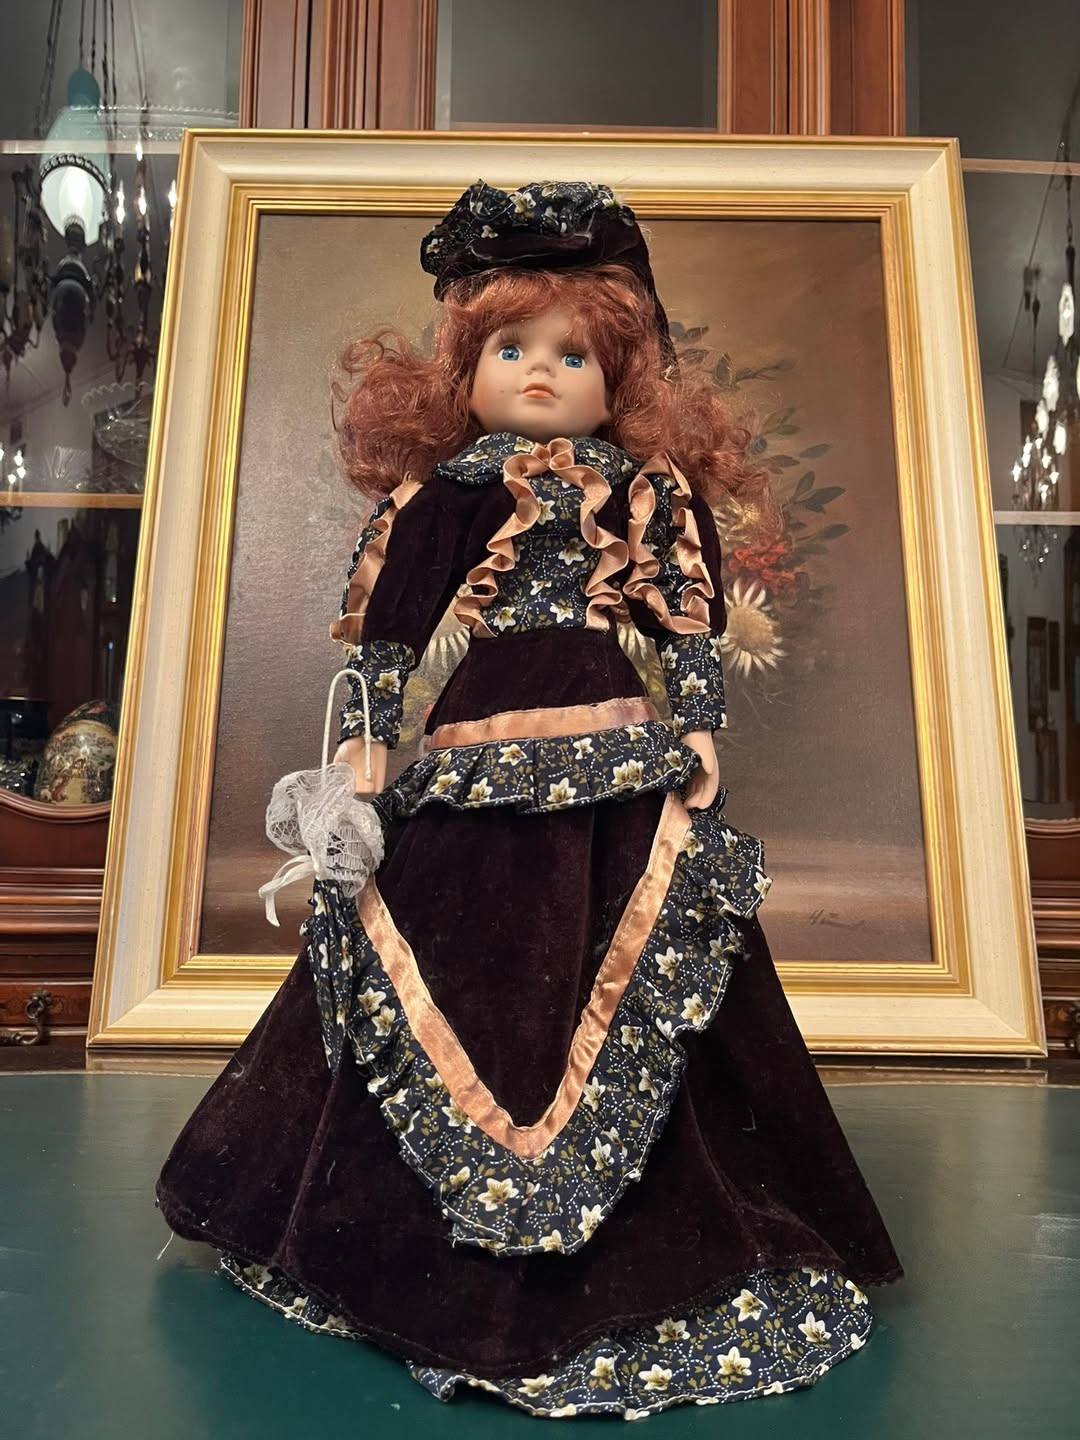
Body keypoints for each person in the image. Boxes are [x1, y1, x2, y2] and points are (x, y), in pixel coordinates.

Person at [155, 178, 903, 1420]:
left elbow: (687, 615)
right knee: (453, 947)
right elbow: (389, 632)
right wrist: (366, 744)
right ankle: (402, 1239)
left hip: (615, 747)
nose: (542, 372)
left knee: (644, 942)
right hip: (473, 748)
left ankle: (668, 1225)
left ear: (623, 380)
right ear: (463, 369)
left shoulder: (644, 491)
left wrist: (698, 725)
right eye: (512, 349)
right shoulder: (443, 496)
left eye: (573, 354)